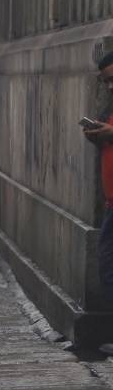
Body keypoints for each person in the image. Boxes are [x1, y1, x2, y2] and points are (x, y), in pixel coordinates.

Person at [83, 51, 113, 309]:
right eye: (106, 81)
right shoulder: (108, 109)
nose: (110, 86)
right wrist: (97, 135)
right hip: (111, 202)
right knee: (107, 267)